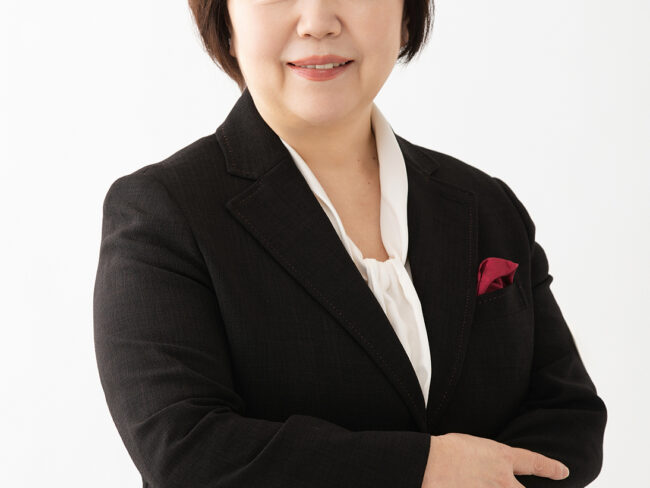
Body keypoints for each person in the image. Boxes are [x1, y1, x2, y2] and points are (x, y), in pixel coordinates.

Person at [93, 0, 607, 487]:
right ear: (225, 21)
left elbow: (570, 418)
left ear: (406, 16)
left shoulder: (486, 204)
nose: (318, 21)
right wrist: (423, 470)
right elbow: (187, 452)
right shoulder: (163, 212)